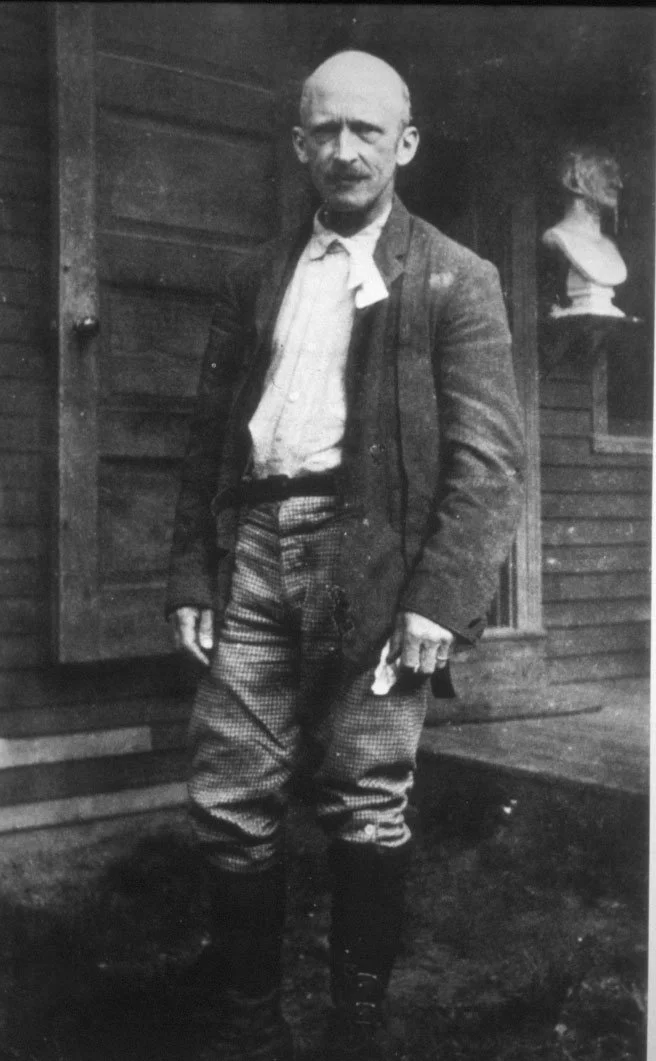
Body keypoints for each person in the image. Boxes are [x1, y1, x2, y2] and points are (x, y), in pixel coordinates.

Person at [166, 50, 525, 1061]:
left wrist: (437, 600)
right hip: (254, 557)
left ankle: (354, 1027)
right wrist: (193, 571)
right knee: (231, 792)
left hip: (375, 567)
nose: (344, 149)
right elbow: (209, 437)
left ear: (404, 144)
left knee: (368, 795)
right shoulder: (256, 275)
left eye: (367, 129)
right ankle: (248, 1020)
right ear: (297, 145)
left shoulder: (456, 277)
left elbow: (491, 462)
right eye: (324, 129)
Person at [541, 146, 627, 317]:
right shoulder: (559, 237)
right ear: (574, 181)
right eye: (607, 172)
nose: (619, 184)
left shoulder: (609, 246)